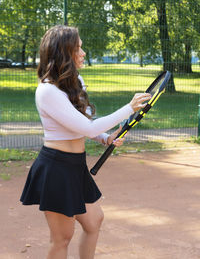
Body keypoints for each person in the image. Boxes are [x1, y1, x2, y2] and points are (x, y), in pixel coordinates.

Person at [20, 25, 151, 259]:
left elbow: (83, 122)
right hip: (56, 168)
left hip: (75, 165)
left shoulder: (73, 81)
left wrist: (105, 137)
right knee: (62, 239)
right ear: (63, 52)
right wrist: (128, 109)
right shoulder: (47, 91)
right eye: (78, 48)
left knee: (94, 221)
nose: (83, 53)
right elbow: (86, 126)